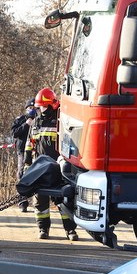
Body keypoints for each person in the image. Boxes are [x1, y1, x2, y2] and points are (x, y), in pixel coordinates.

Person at [27, 87, 79, 241]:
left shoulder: (60, 120)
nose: (40, 109)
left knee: (63, 200)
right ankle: (43, 229)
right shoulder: (35, 122)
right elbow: (29, 145)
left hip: (58, 167)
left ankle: (70, 231)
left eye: (42, 106)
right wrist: (27, 164)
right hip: (40, 167)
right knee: (40, 200)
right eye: (39, 107)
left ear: (50, 105)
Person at [11, 100, 37, 212]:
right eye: (30, 107)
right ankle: (22, 202)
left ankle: (37, 202)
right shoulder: (20, 119)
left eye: (34, 107)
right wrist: (26, 125)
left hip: (36, 151)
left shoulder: (39, 119)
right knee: (21, 174)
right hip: (22, 151)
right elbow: (14, 133)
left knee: (36, 175)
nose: (32, 109)